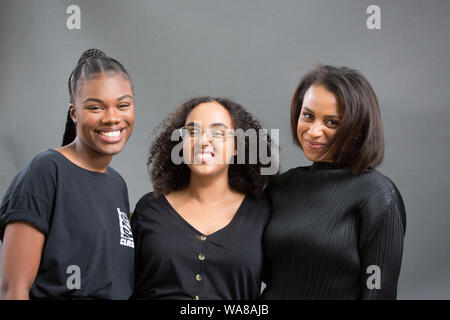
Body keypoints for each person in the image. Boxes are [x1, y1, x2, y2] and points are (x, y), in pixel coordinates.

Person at [261, 65, 406, 300]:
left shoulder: (377, 194)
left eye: (332, 123)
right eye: (308, 116)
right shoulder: (281, 186)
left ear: (358, 128)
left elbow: (379, 292)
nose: (314, 132)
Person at [0, 49, 135, 299]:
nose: (112, 118)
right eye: (96, 107)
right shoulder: (46, 171)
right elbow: (13, 290)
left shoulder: (117, 185)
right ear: (74, 113)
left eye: (123, 105)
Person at [131, 96, 275, 300]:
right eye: (192, 131)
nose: (203, 141)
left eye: (218, 132)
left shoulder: (262, 213)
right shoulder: (150, 208)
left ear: (236, 146)